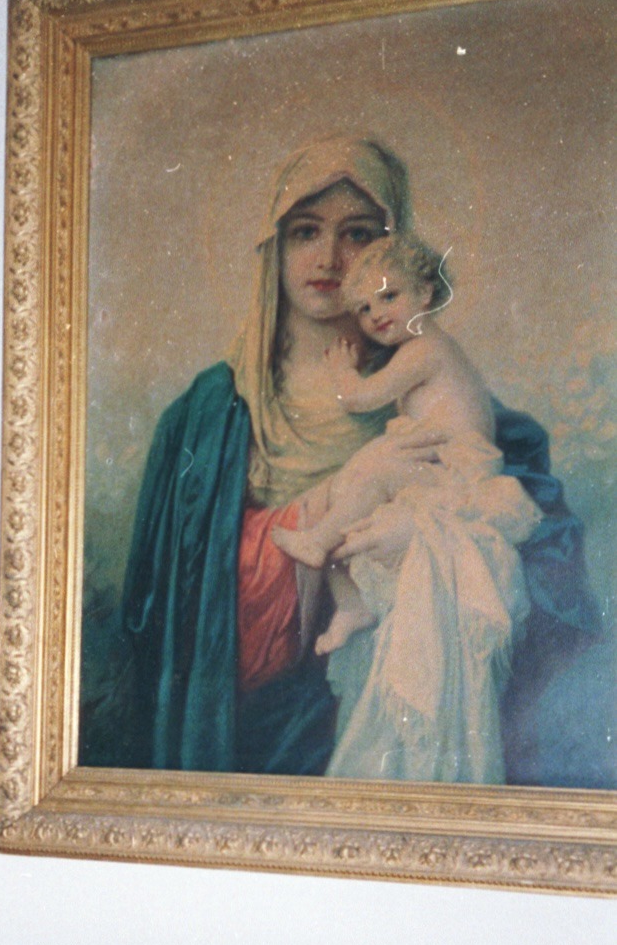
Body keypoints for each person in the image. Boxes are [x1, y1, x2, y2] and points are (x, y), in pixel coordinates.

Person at [113, 134, 597, 779]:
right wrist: (344, 499)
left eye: (360, 234)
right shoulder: (203, 415)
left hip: (395, 707)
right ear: (274, 248)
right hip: (250, 732)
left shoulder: (448, 400)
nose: (331, 258)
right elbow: (169, 604)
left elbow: (550, 587)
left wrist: (422, 542)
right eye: (305, 231)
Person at [271, 232, 541, 658]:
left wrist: (343, 373)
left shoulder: (425, 350)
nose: (375, 314)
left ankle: (318, 541)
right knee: (349, 490)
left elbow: (361, 398)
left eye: (388, 296)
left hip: (458, 478)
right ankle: (352, 604)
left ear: (425, 292)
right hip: (437, 467)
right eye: (363, 309)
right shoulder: (415, 350)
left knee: (366, 480)